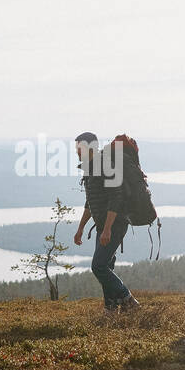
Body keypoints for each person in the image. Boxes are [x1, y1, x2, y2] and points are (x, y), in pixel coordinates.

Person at [72, 132, 140, 312]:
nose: (77, 152)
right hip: (103, 226)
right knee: (106, 266)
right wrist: (80, 228)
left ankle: (128, 299)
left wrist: (108, 229)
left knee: (98, 266)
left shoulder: (104, 166)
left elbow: (115, 198)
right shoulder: (90, 169)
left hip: (114, 225)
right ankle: (111, 309)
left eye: (79, 148)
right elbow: (90, 202)